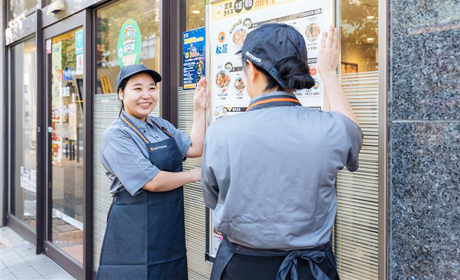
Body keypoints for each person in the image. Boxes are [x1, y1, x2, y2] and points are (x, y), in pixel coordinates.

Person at [201, 24, 363, 280]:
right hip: (310, 270)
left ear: (252, 71)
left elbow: (212, 199)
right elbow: (353, 133)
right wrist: (329, 74)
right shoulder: (330, 128)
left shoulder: (221, 131)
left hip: (240, 269)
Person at [97, 64, 207, 279]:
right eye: (137, 89)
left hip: (167, 228)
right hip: (132, 231)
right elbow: (152, 181)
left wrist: (199, 109)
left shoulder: (161, 125)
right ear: (121, 93)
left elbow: (194, 148)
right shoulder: (117, 136)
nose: (146, 95)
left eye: (151, 88)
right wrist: (196, 174)